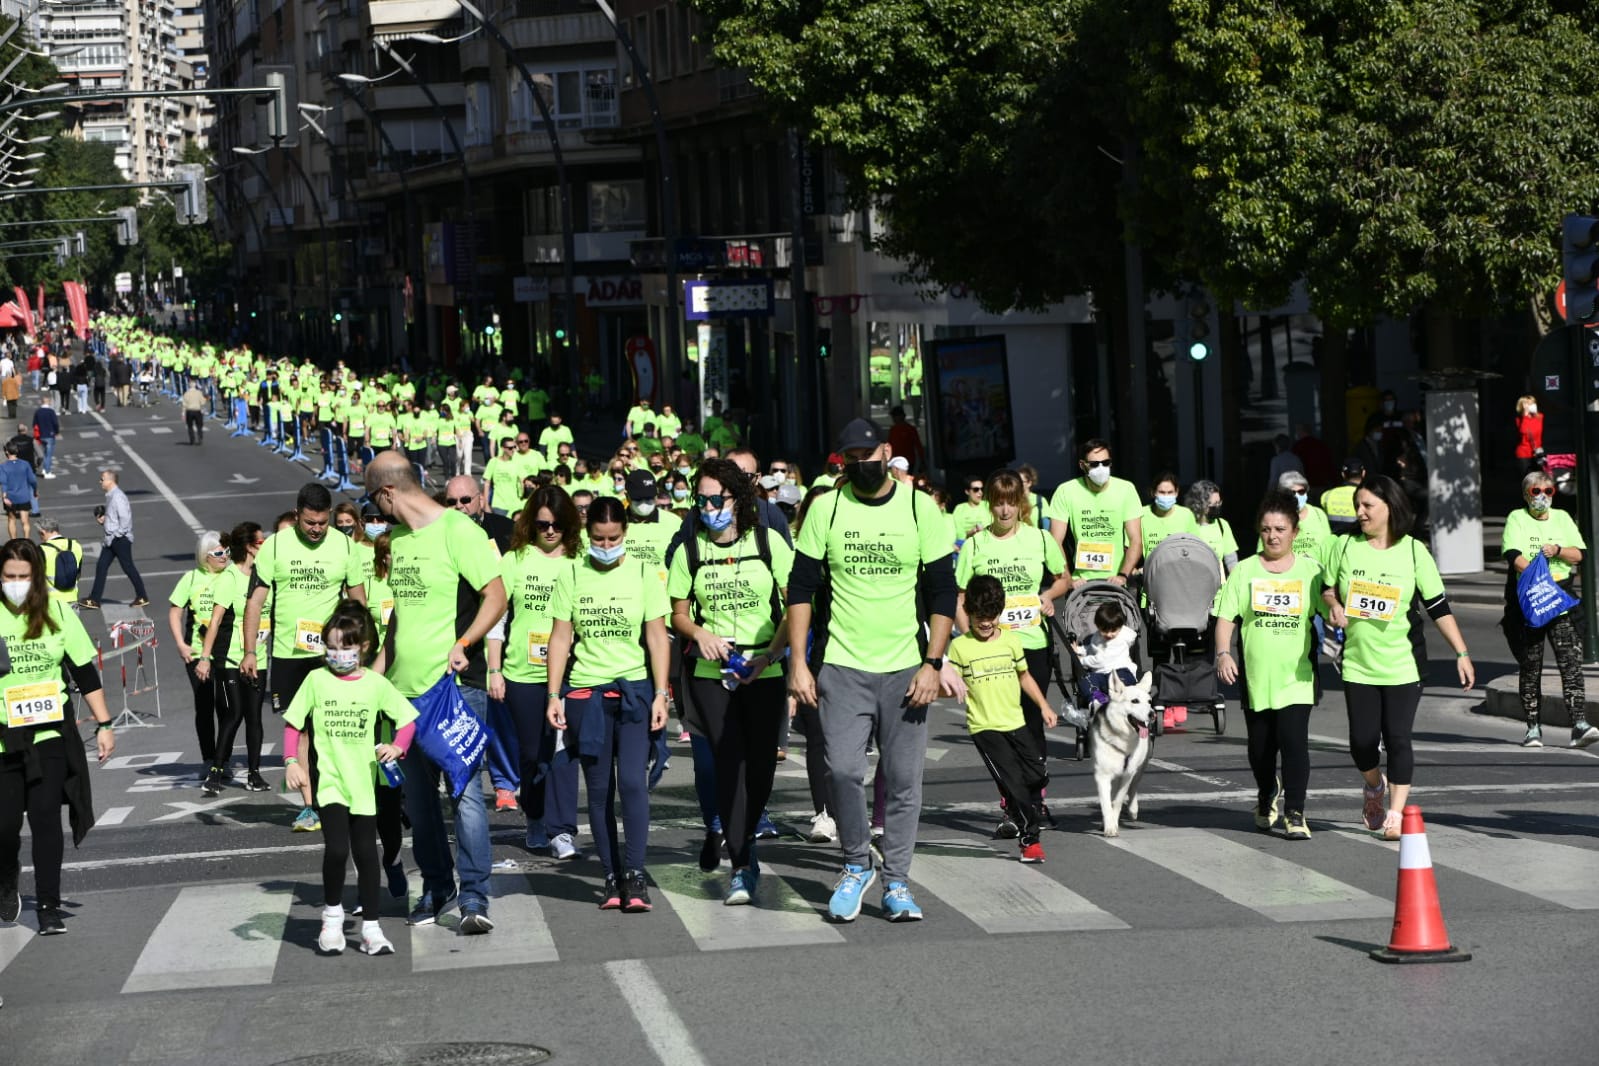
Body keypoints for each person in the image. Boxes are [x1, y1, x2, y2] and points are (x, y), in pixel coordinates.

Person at [788, 417, 957, 923]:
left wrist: (933, 662)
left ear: (886, 451)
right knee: (841, 769)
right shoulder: (828, 508)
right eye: (851, 458)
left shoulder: (918, 507)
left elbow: (943, 590)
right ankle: (856, 863)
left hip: (906, 667)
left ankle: (898, 881)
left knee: (904, 781)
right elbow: (800, 589)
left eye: (869, 453)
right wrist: (798, 662)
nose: (862, 464)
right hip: (841, 665)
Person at [364, 452, 506, 933]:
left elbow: (496, 594)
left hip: (453, 689)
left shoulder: (457, 530)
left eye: (373, 500)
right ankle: (438, 886)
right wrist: (373, 682)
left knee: (464, 796)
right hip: (402, 695)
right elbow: (398, 621)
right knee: (419, 804)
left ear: (387, 493)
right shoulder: (399, 540)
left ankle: (474, 897)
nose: (375, 511)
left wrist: (464, 643)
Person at [1321, 476, 1474, 841]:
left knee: (1398, 738)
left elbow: (1438, 607)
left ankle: (1395, 812)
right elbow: (1327, 589)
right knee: (1361, 742)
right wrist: (1335, 606)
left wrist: (1462, 653)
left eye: (1367, 506)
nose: (1360, 512)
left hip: (1404, 663)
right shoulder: (1343, 546)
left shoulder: (1413, 551)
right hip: (1358, 663)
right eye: (1358, 505)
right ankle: (1374, 785)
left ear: (1389, 507)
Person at [668, 458, 793, 904]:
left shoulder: (769, 542)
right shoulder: (690, 550)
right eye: (699, 499)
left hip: (764, 669)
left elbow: (796, 603)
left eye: (714, 499)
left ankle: (744, 838)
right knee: (727, 763)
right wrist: (699, 633)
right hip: (709, 675)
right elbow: (677, 614)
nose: (706, 507)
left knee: (759, 768)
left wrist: (773, 653)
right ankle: (742, 863)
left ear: (737, 500)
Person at [545, 496, 671, 912]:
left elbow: (655, 636)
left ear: (625, 534)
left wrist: (660, 693)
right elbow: (561, 638)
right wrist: (554, 694)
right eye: (597, 539)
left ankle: (635, 875)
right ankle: (611, 877)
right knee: (599, 791)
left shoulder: (642, 572)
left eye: (613, 537)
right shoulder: (571, 573)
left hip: (634, 693)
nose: (605, 545)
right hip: (586, 696)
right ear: (586, 535)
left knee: (633, 784)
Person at [283, 600, 418, 957]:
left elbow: (407, 720)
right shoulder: (316, 680)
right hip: (330, 782)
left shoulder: (375, 684)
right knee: (338, 849)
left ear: (363, 647)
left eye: (345, 646)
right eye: (331, 646)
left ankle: (371, 929)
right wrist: (290, 762)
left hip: (364, 784)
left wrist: (398, 747)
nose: (337, 653)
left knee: (365, 853)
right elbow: (293, 723)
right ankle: (331, 919)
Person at [0, 538, 117, 936]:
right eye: (8, 577)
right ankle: (6, 877)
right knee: (4, 826)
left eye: (23, 577)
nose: (15, 584)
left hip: (48, 732)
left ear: (36, 579)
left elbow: (84, 671)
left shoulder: (56, 611)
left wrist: (104, 725)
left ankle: (48, 904)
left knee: (46, 816)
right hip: (3, 738)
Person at [243, 483, 367, 831]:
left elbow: (357, 603)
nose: (316, 530)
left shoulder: (344, 545)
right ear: (297, 515)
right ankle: (310, 807)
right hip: (288, 654)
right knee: (300, 731)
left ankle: (343, 796)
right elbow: (255, 601)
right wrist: (251, 650)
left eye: (322, 523)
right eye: (310, 523)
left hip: (332, 654)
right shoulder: (276, 546)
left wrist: (362, 648)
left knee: (334, 727)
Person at [954, 469, 1068, 835]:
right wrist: (968, 632)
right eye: (997, 503)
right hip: (990, 648)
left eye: (1010, 503)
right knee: (1000, 728)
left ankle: (1035, 799)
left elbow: (1063, 578)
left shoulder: (1040, 539)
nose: (1004, 511)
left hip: (1032, 642)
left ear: (1021, 503)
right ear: (989, 504)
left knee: (1032, 725)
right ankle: (1012, 805)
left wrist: (1048, 598)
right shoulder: (975, 545)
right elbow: (959, 596)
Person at [1214, 493, 1324, 840]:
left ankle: (1295, 812)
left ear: (1294, 531)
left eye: (1280, 529)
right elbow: (1225, 617)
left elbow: (1330, 605)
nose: (1272, 536)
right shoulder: (1245, 570)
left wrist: (1341, 618)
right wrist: (1223, 653)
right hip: (1257, 678)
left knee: (1294, 743)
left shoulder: (1311, 571)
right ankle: (1266, 792)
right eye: (1266, 530)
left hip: (1297, 677)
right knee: (1260, 749)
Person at [489, 485, 583, 859]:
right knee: (532, 754)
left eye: (557, 524)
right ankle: (535, 816)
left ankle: (562, 830)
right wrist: (494, 669)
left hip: (574, 670)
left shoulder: (580, 560)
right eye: (542, 524)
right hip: (522, 673)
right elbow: (497, 618)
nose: (549, 531)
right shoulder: (515, 559)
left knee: (564, 749)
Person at [949, 575, 1057, 863]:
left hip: (1016, 722)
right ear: (968, 613)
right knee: (1014, 783)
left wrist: (1044, 706)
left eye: (991, 617)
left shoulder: (1010, 640)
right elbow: (949, 684)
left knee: (1037, 774)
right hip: (984, 727)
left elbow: (1024, 676)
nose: (985, 624)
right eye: (979, 618)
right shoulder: (960, 647)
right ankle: (1029, 839)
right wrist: (944, 682)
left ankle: (1017, 800)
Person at [1501, 471, 1594, 748]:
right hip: (1531, 600)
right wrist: (1537, 579)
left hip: (1561, 599)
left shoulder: (1563, 519)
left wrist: (1558, 549)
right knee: (1531, 666)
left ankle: (1579, 724)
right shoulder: (1517, 518)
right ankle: (1532, 727)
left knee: (1571, 663)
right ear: (1526, 495)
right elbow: (1512, 555)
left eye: (1548, 492)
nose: (1542, 497)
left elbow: (1581, 554)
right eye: (1535, 492)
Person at [195, 522, 270, 792]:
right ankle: (215, 771)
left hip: (258, 657)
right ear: (250, 547)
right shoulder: (230, 577)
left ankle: (254, 773)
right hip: (230, 659)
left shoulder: (265, 575)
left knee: (255, 717)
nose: (266, 545)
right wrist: (205, 657)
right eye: (261, 542)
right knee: (234, 713)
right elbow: (214, 622)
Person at [169, 532, 229, 788]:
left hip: (227, 651)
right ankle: (208, 758)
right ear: (205, 557)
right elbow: (175, 611)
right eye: (218, 553)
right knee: (204, 705)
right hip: (196, 652)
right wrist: (181, 644)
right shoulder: (191, 578)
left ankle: (223, 759)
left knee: (225, 706)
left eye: (226, 551)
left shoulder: (232, 576)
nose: (224, 556)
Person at [1049, 439, 1142, 586]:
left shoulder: (1126, 489)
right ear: (1082, 465)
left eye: (1105, 463)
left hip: (1117, 581)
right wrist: (1067, 578)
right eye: (1094, 464)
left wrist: (1123, 575)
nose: (1101, 468)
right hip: (1081, 583)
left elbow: (1135, 540)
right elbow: (1054, 541)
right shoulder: (1065, 491)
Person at [80, 469, 149, 609]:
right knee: (101, 566)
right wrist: (105, 521)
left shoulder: (118, 497)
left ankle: (142, 596)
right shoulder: (111, 495)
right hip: (112, 539)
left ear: (110, 481)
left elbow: (125, 519)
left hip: (119, 540)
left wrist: (117, 534)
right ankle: (94, 599)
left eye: (102, 479)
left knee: (128, 567)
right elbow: (115, 517)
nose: (100, 481)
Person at [1071, 602, 1138, 709]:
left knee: (1123, 681)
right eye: (1104, 630)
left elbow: (1099, 660)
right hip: (1100, 675)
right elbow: (1092, 648)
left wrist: (1082, 660)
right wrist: (1079, 649)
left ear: (1120, 627)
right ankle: (1098, 700)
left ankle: (1122, 700)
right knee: (1086, 680)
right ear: (1098, 627)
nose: (1109, 634)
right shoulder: (1097, 637)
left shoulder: (1121, 637)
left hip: (1120, 671)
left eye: (1113, 631)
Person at [1261, 470, 1332, 561]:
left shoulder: (1318, 514)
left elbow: (1329, 546)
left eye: (1301, 491)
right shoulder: (1273, 517)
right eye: (1292, 493)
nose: (1297, 496)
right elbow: (1265, 553)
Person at [1183, 479, 1239, 578]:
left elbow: (1231, 561)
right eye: (1213, 504)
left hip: (1219, 588)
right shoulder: (1187, 525)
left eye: (1219, 503)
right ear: (1199, 504)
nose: (1217, 507)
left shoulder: (1222, 525)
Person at [1140, 471, 1195, 560]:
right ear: (1153, 492)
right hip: (1151, 570)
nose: (1166, 496)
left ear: (1176, 492)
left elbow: (1195, 547)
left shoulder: (1186, 515)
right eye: (1161, 492)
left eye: (1170, 492)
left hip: (1179, 570)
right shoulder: (1141, 514)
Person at [35, 517, 82, 605]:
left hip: (51, 602)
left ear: (43, 532)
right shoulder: (75, 545)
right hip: (72, 598)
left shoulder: (41, 549)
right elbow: (78, 574)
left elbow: (37, 577)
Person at [0, 442, 35, 540]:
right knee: (25, 521)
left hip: (10, 497)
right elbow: (32, 480)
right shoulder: (25, 464)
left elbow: (3, 482)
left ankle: (14, 541)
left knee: (11, 519)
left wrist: (4, 496)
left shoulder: (3, 467)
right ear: (17, 451)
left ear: (7, 452)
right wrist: (35, 491)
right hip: (24, 496)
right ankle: (26, 540)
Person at [1322, 459, 1363, 536]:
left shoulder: (1327, 495)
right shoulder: (1366, 496)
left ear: (1343, 474)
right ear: (1363, 473)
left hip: (1333, 541)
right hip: (1356, 540)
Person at [887, 406, 925, 472]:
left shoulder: (909, 429)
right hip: (901, 461)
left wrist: (922, 461)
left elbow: (918, 446)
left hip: (906, 461)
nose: (893, 419)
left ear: (901, 416)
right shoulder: (893, 430)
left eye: (895, 416)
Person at [1514, 395, 1544, 474]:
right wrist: (1525, 416)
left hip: (1537, 452)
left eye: (1532, 403)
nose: (1530, 406)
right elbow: (1523, 431)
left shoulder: (1540, 417)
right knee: (1527, 479)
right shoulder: (1519, 420)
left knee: (1539, 478)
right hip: (1523, 453)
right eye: (1527, 404)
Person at [30, 395, 57, 479]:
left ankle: (45, 469)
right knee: (48, 454)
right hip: (49, 435)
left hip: (41, 435)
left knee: (45, 454)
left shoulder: (38, 412)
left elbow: (34, 424)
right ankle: (47, 471)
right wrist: (56, 431)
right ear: (48, 402)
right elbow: (55, 423)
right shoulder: (51, 411)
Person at [181, 380, 207, 445]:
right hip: (197, 410)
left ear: (189, 385)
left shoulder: (186, 393)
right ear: (195, 385)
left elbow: (184, 404)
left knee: (190, 426)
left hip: (189, 411)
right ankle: (200, 437)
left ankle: (192, 439)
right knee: (199, 425)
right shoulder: (199, 393)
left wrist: (183, 413)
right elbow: (203, 402)